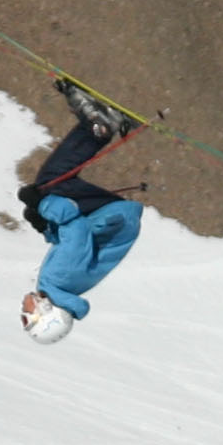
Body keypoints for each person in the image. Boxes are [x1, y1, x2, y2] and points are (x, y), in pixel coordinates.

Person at [15, 81, 144, 345]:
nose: (24, 310)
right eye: (28, 317)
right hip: (109, 218)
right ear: (47, 313)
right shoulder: (58, 279)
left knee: (50, 188)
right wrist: (42, 206)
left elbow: (73, 243)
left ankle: (100, 125)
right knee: (51, 185)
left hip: (111, 222)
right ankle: (99, 126)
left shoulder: (62, 286)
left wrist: (44, 226)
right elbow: (76, 230)